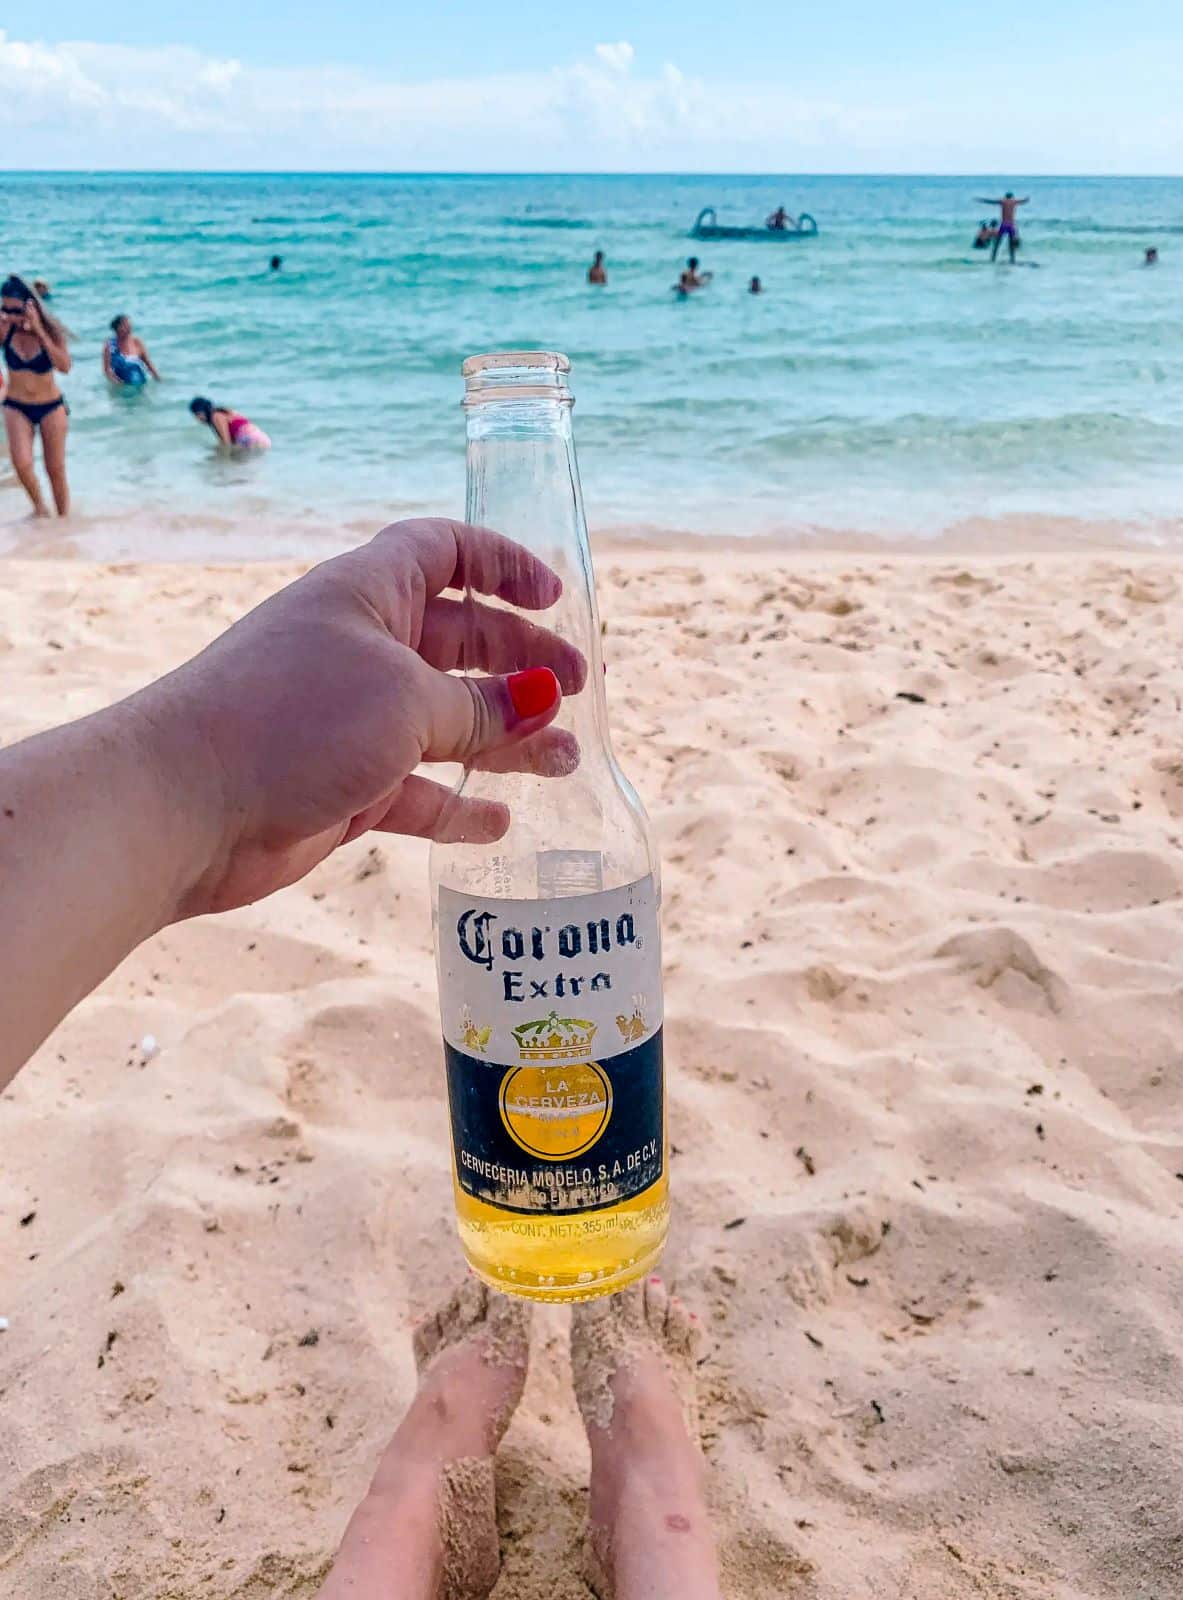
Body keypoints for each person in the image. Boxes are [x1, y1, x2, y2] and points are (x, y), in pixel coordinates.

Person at [0, 518, 725, 1599]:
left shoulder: (595, 788)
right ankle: (629, 1495)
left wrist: (206, 774)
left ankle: (439, 1481)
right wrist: (212, 765)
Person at [0, 274, 72, 517]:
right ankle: (40, 508)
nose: (10, 316)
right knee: (21, 464)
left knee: (55, 469)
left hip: (51, 406)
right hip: (16, 405)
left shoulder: (50, 331)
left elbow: (64, 366)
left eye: (15, 311)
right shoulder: (4, 329)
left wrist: (39, 330)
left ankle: (63, 521)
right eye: (4, 309)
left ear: (30, 305)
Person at [190, 395, 271, 451]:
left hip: (251, 440)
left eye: (198, 414)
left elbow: (226, 442)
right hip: (259, 439)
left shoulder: (216, 416)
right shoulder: (222, 413)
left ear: (205, 410)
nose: (197, 418)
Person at [103, 314, 160, 387]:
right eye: (126, 326)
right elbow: (107, 370)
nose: (129, 328)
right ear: (118, 328)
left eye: (129, 326)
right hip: (121, 387)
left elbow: (148, 363)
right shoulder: (110, 345)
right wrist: (118, 384)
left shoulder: (137, 342)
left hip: (140, 384)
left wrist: (157, 378)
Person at [975, 191, 1029, 263]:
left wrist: (981, 200)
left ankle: (992, 259)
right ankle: (1012, 260)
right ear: (1012, 197)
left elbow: (991, 202)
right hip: (1011, 225)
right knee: (1011, 245)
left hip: (1003, 225)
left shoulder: (1003, 201)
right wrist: (1027, 198)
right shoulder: (1014, 202)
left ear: (1005, 197)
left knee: (997, 243)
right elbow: (1024, 201)